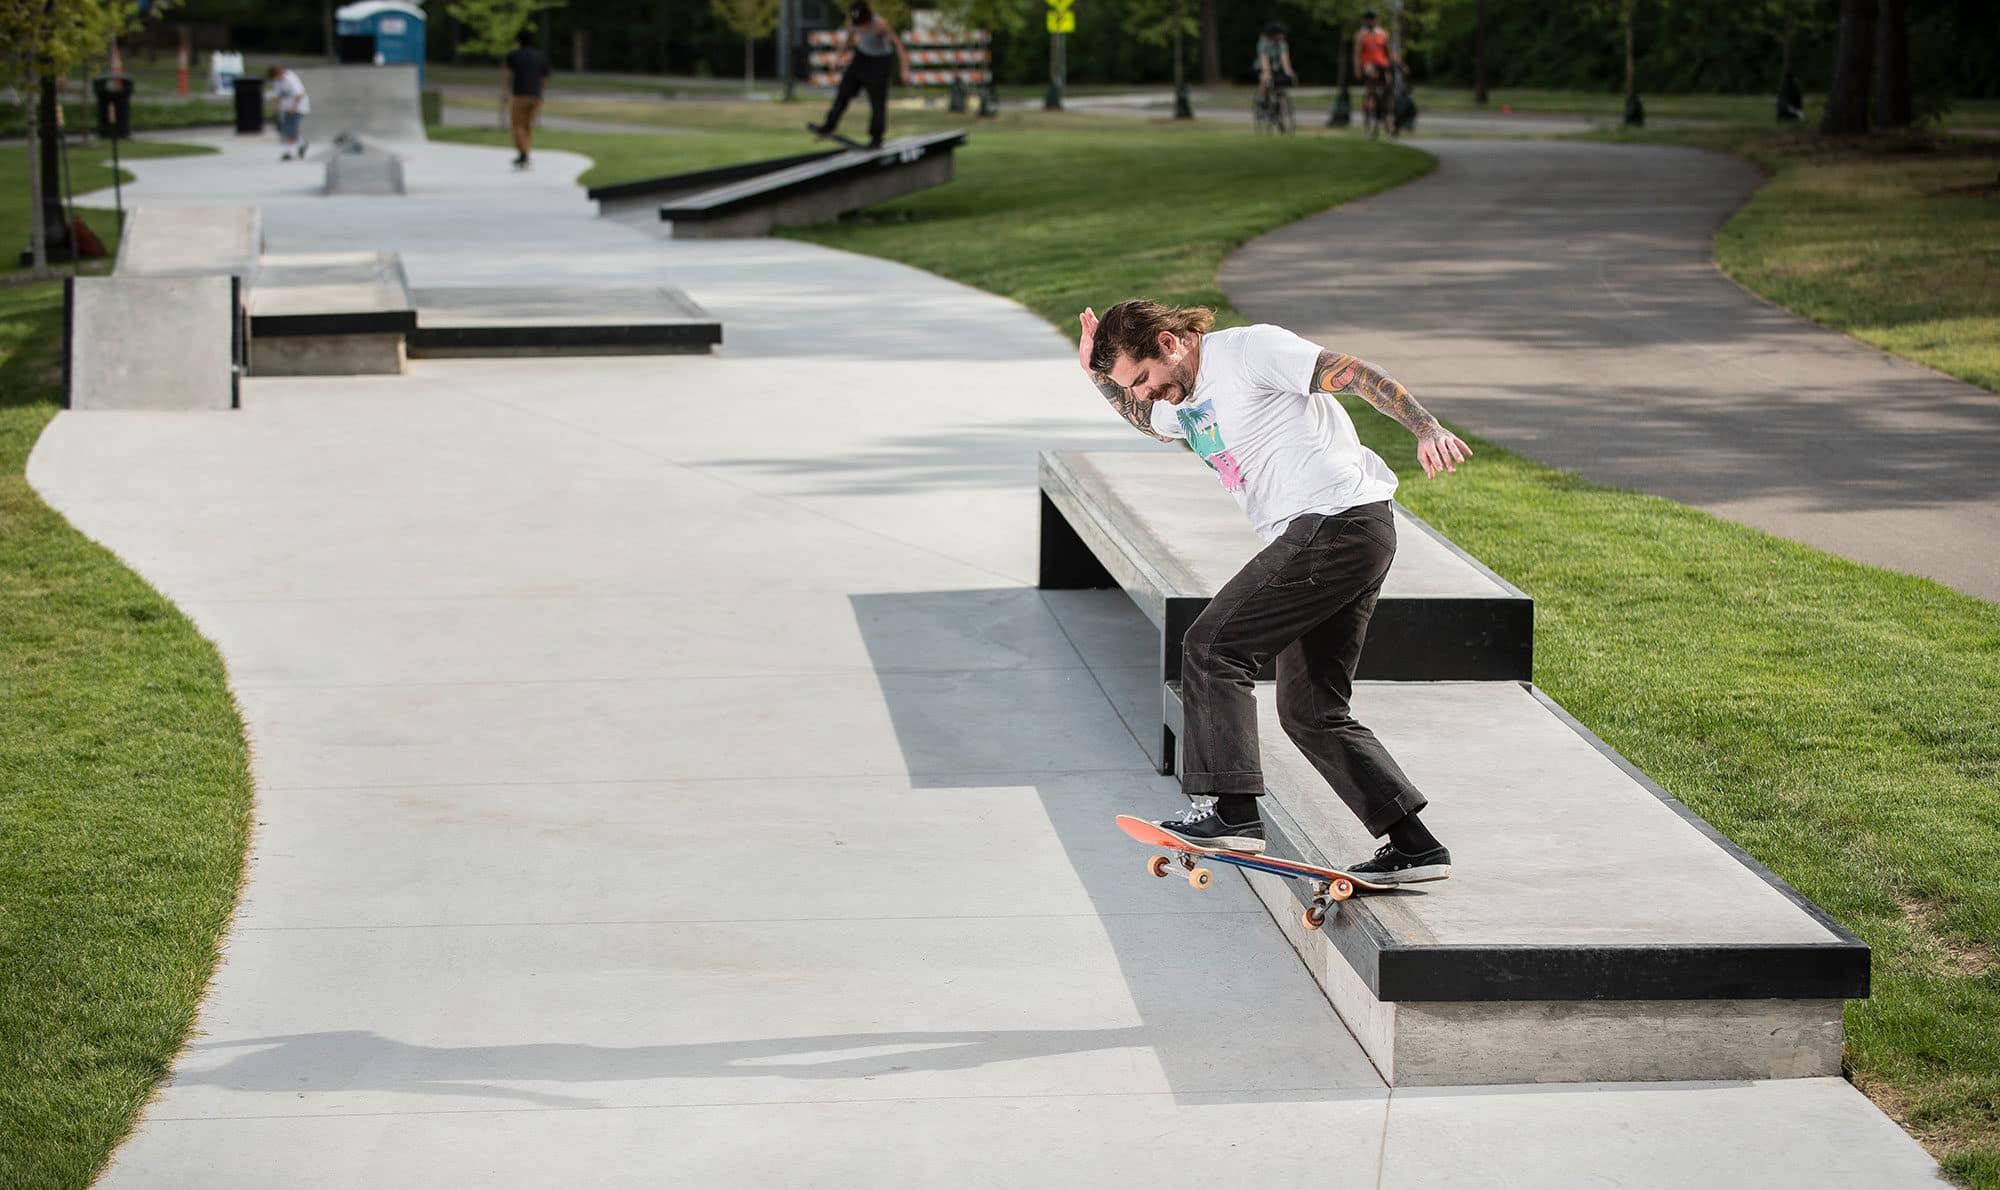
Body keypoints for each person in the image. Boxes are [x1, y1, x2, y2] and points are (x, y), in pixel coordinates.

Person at [1078, 300, 1472, 885]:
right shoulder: (1178, 399)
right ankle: (1414, 844)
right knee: (1311, 710)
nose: (1145, 394)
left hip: (1336, 521)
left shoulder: (1248, 351)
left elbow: (1352, 372)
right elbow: (1144, 421)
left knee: (1212, 648)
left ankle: (1230, 811)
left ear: (1169, 343)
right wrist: (1097, 375)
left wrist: (1426, 426)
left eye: (1143, 379)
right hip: (1339, 533)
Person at [809, 1, 911, 150]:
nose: (861, 28)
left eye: (863, 25)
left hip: (880, 61)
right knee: (844, 91)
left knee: (877, 100)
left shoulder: (881, 24)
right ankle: (829, 126)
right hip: (861, 57)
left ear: (869, 19)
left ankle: (876, 137)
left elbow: (898, 45)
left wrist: (904, 70)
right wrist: (837, 58)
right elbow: (848, 40)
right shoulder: (851, 21)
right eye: (858, 25)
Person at [502, 29, 552, 170]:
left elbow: (507, 74)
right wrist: (541, 95)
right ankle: (525, 152)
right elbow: (543, 78)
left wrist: (505, 92)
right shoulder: (540, 56)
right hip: (535, 95)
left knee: (517, 125)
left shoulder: (513, 55)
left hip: (520, 94)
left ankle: (523, 153)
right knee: (528, 125)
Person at [1353, 9, 1402, 130]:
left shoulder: (1383, 34)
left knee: (1388, 84)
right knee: (1371, 78)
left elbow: (1389, 52)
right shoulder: (1361, 35)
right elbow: (1357, 54)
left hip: (1382, 64)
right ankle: (1370, 103)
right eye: (1368, 19)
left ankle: (1387, 114)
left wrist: (1399, 63)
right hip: (1368, 65)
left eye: (1373, 18)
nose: (1371, 21)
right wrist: (1357, 69)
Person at [266, 64, 310, 161]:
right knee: (286, 129)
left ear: (279, 74)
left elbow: (300, 94)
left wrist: (293, 108)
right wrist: (275, 109)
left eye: (276, 77)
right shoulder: (277, 82)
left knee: (290, 129)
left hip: (298, 108)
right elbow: (278, 96)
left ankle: (289, 152)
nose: (276, 80)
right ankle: (301, 144)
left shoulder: (290, 79)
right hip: (287, 108)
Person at [1254, 21, 1295, 113]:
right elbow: (1264, 60)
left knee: (1280, 83)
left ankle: (1280, 109)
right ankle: (1261, 101)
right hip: (1262, 65)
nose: (1282, 36)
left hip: (1276, 66)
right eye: (1279, 34)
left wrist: (1288, 71)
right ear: (1273, 35)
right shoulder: (1264, 44)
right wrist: (1267, 73)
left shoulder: (1282, 44)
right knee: (1264, 79)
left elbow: (1285, 59)